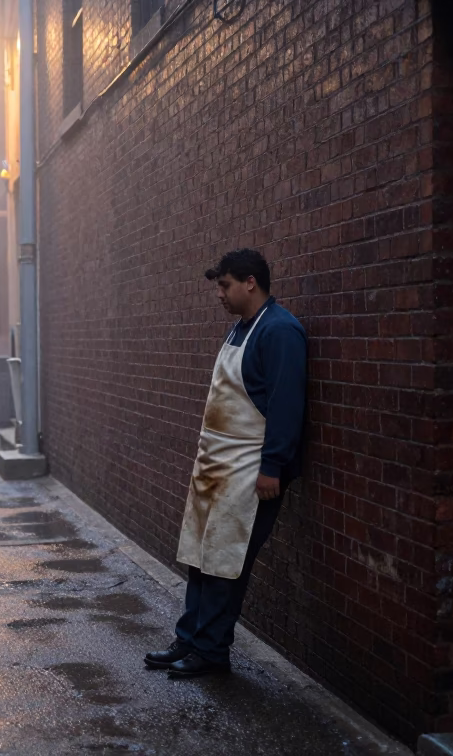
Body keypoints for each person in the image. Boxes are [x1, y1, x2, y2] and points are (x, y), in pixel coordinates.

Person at [145, 248, 307, 678]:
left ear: (250, 282)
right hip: (215, 466)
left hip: (250, 471)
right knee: (200, 557)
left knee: (225, 564)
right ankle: (190, 639)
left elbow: (286, 406)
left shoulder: (280, 331)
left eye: (225, 285)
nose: (220, 294)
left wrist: (273, 466)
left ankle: (212, 653)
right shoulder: (240, 329)